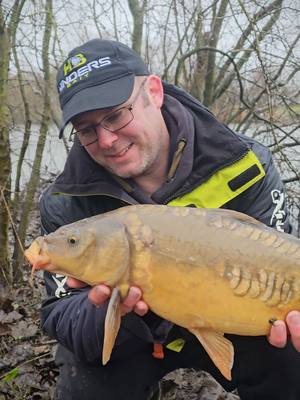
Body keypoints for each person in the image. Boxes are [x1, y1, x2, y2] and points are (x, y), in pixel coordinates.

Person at [39, 39, 300, 400]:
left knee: (291, 355)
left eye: (116, 115)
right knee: (86, 380)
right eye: (87, 130)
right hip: (134, 339)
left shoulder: (246, 164)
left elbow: (280, 255)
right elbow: (60, 314)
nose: (107, 139)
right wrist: (113, 312)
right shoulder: (64, 204)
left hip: (236, 320)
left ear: (154, 92)